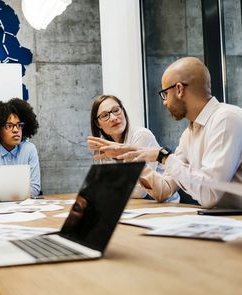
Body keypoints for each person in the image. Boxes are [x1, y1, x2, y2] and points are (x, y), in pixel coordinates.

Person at [91, 57, 242, 208]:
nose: (164, 102)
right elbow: (165, 190)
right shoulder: (188, 134)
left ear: (179, 90)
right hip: (220, 219)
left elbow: (209, 195)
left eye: (165, 94)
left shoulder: (226, 118)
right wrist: (134, 156)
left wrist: (163, 156)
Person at [88, 94, 178, 200]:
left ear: (123, 111)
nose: (113, 118)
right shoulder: (103, 145)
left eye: (116, 110)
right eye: (104, 115)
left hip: (161, 206)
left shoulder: (141, 135)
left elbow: (139, 191)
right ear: (98, 124)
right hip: (131, 206)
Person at [0, 98, 41, 197]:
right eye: (9, 126)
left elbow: (35, 188)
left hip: (24, 208)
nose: (16, 130)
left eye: (19, 125)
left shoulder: (29, 149)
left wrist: (0, 194)